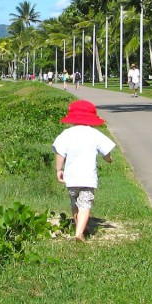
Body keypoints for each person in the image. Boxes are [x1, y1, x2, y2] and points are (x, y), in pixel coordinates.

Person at [52, 100, 116, 241]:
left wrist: (59, 169)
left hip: (71, 177)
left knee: (75, 203)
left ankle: (79, 228)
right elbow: (106, 153)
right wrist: (109, 159)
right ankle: (79, 233)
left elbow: (60, 153)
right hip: (88, 178)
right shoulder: (95, 134)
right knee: (85, 204)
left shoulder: (66, 134)